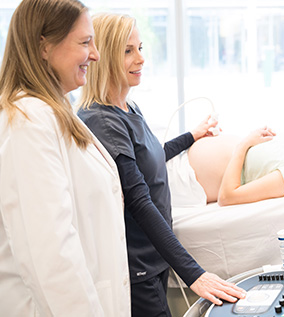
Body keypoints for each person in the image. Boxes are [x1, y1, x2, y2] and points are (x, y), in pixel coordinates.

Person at [77, 13, 246, 316]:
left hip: (154, 260)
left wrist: (192, 135)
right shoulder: (102, 121)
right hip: (138, 267)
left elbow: (153, 155)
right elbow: (138, 200)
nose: (140, 59)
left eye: (140, 48)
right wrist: (194, 274)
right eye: (128, 51)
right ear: (103, 56)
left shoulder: (127, 107)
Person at [0, 0, 132, 315]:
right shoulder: (28, 121)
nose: (95, 54)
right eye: (84, 42)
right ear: (44, 47)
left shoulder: (53, 112)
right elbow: (51, 255)